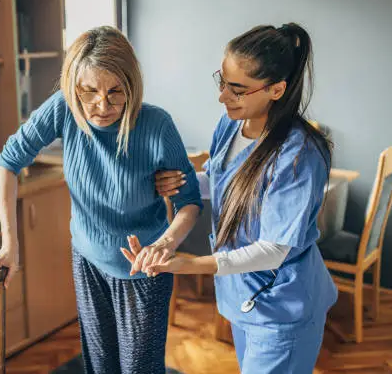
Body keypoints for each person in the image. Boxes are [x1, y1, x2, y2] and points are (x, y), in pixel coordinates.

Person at [124, 23, 337, 373]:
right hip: (244, 297)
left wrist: (189, 264)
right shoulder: (231, 125)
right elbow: (223, 179)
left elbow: (274, 249)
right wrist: (182, 181)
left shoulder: (298, 156)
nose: (222, 96)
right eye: (221, 81)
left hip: (282, 306)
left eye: (237, 89)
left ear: (276, 89)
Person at [0, 26, 202, 374]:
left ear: (132, 85)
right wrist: (9, 243)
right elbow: (8, 162)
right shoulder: (64, 108)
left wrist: (165, 244)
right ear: (74, 87)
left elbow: (190, 203)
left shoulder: (157, 125)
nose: (102, 106)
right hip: (88, 260)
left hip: (144, 268)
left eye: (116, 92)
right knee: (100, 367)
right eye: (89, 92)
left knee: (140, 369)